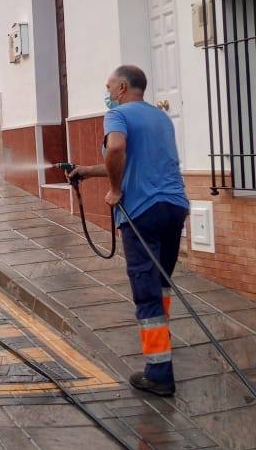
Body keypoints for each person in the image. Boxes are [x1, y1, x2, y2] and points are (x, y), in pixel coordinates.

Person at [70, 65, 189, 397]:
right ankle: (163, 345)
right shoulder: (160, 118)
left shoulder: (118, 116)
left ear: (122, 87)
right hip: (174, 207)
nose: (107, 93)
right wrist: (89, 172)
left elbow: (118, 148)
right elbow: (134, 160)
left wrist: (115, 189)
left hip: (142, 213)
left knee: (145, 291)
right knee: (161, 283)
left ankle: (159, 373)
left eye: (109, 87)